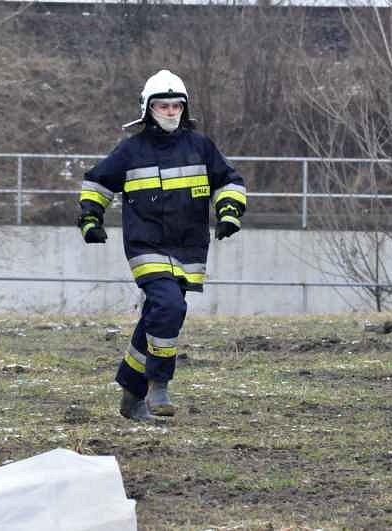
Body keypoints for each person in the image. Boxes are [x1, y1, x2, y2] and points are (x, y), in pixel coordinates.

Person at [77, 69, 247, 421]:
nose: (170, 112)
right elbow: (97, 182)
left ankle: (130, 392)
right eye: (163, 106)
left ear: (184, 109)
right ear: (147, 109)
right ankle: (158, 385)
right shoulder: (131, 150)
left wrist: (229, 212)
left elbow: (229, 180)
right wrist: (90, 219)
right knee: (170, 308)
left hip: (189, 250)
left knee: (156, 316)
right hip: (146, 245)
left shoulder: (201, 146)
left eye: (175, 106)